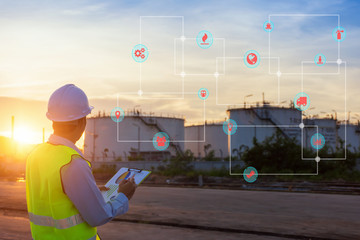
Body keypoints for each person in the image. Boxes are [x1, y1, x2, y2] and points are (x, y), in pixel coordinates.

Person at [26, 84, 137, 240]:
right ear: (81, 122)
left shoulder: (36, 154)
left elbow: (53, 195)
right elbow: (98, 216)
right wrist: (123, 196)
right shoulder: (72, 163)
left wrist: (89, 191)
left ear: (53, 120)